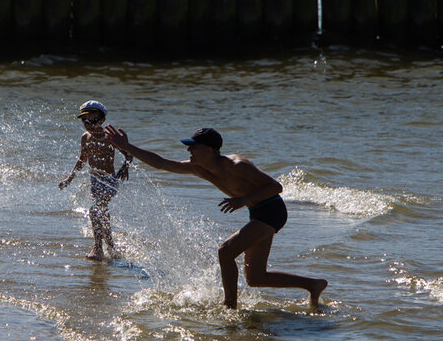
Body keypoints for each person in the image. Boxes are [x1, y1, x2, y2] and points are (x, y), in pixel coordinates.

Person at [104, 125, 327, 308]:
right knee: (256, 278)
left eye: (193, 147)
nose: (189, 151)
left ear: (209, 149)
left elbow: (276, 187)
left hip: (271, 211)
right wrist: (127, 147)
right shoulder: (199, 167)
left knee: (225, 250)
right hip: (257, 213)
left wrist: (241, 200)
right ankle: (313, 285)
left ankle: (229, 306)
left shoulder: (238, 166)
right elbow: (162, 163)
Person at [59, 101, 133, 260]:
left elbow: (128, 154)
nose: (88, 125)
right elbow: (81, 160)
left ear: (101, 120)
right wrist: (69, 178)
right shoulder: (85, 138)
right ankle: (111, 247)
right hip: (95, 182)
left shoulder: (109, 137)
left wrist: (125, 167)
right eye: (84, 121)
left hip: (110, 180)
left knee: (94, 210)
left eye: (91, 121)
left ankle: (98, 248)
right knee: (102, 212)